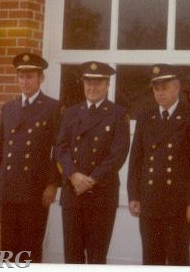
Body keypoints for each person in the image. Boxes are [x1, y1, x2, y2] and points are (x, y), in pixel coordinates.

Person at [127, 64, 190, 265]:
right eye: (156, 89)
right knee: (151, 258)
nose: (160, 93)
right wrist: (134, 195)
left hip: (179, 205)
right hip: (150, 201)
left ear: (177, 87)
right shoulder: (146, 117)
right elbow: (136, 160)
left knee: (177, 259)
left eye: (164, 88)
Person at [0, 52, 61, 263]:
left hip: (35, 190)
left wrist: (53, 184)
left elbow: (59, 150)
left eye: (30, 76)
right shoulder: (8, 108)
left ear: (41, 79)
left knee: (30, 248)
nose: (25, 81)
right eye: (21, 76)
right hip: (9, 186)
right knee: (8, 247)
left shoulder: (52, 107)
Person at [55, 61, 130, 264]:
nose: (92, 87)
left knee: (97, 257)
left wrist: (91, 179)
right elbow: (60, 149)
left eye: (98, 83)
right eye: (88, 82)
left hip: (101, 195)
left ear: (107, 85)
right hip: (73, 193)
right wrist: (74, 175)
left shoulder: (118, 114)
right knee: (72, 256)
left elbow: (118, 154)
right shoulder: (70, 112)